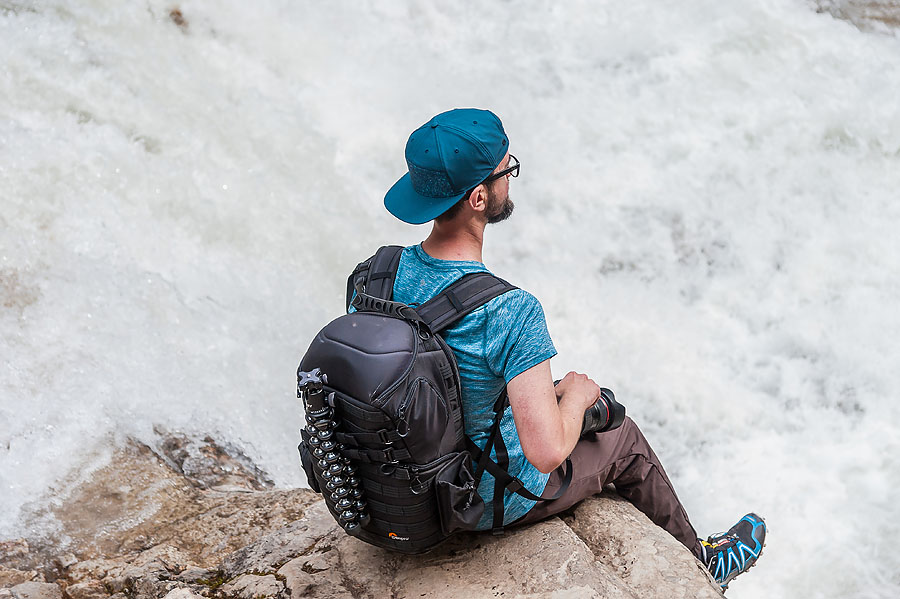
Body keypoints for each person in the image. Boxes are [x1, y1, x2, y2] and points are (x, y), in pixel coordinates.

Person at [380, 107, 765, 590]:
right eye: (507, 170)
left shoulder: (374, 275)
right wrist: (578, 397)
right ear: (479, 196)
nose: (510, 180)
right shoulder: (510, 311)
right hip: (470, 501)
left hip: (395, 492)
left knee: (549, 397)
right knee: (621, 435)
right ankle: (702, 565)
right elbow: (544, 453)